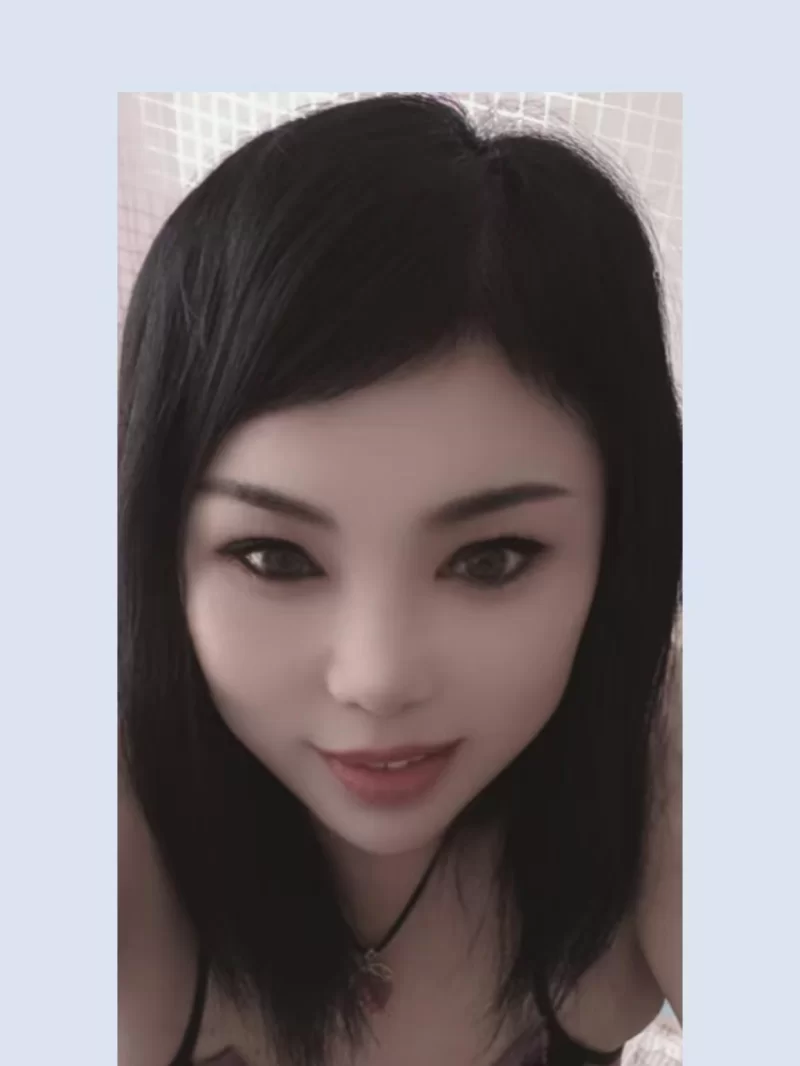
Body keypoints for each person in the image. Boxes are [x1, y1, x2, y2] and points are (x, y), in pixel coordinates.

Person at [118, 93, 682, 1066]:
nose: (376, 678)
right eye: (275, 556)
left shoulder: (660, 762)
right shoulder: (118, 812)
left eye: (491, 558)